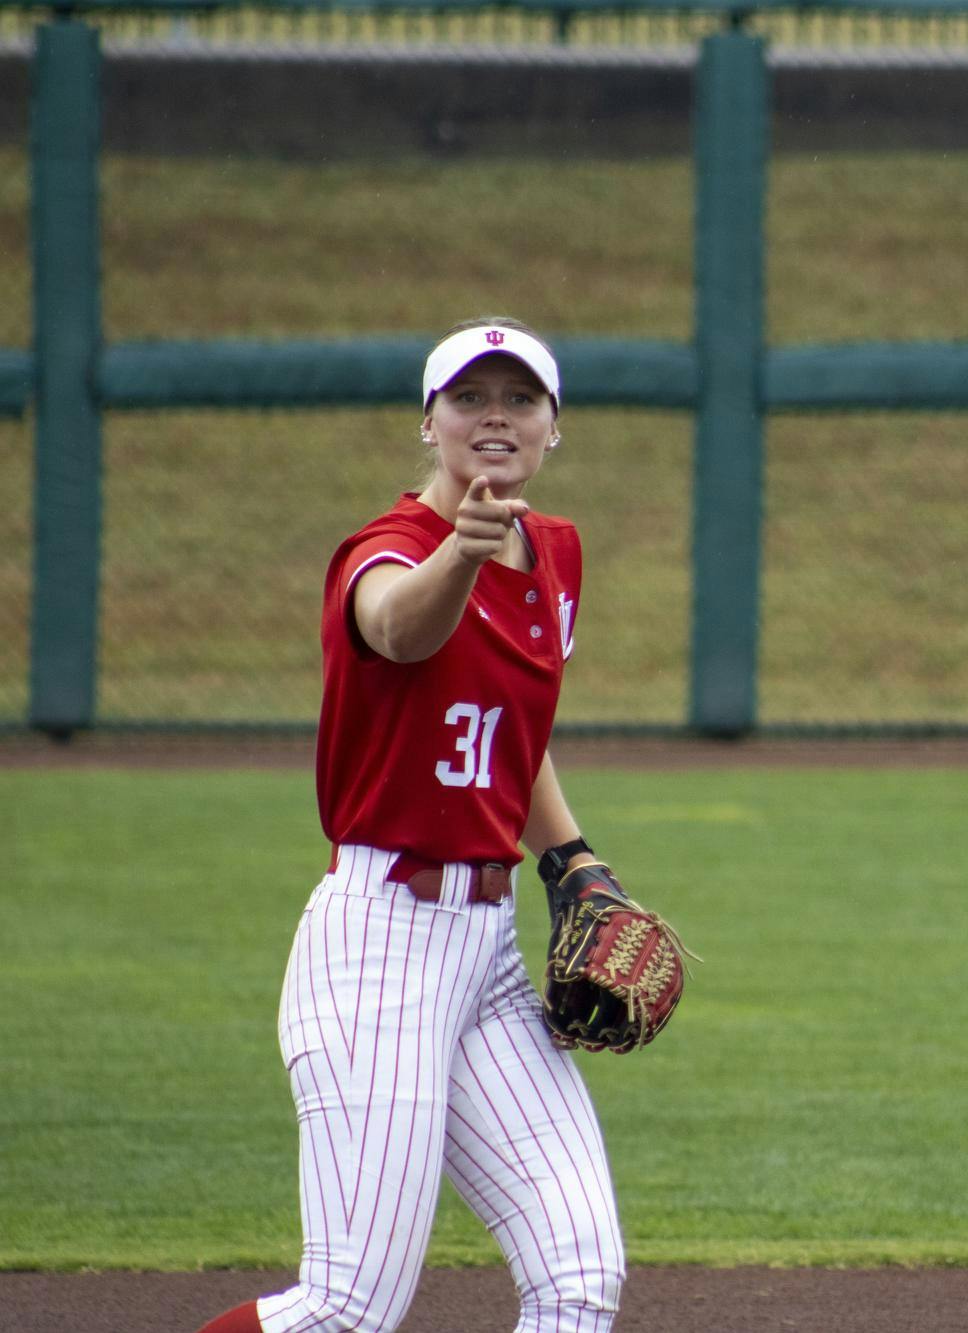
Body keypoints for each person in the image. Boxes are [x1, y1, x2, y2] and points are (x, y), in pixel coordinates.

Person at [201, 318, 626, 1333]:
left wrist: (571, 859)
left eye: (518, 398)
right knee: (345, 1307)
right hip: (377, 946)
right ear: (426, 422)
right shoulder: (387, 550)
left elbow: (507, 737)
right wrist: (460, 557)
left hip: (488, 950)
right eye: (467, 397)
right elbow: (397, 630)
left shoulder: (555, 553)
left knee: (579, 1274)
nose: (493, 416)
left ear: (551, 426)